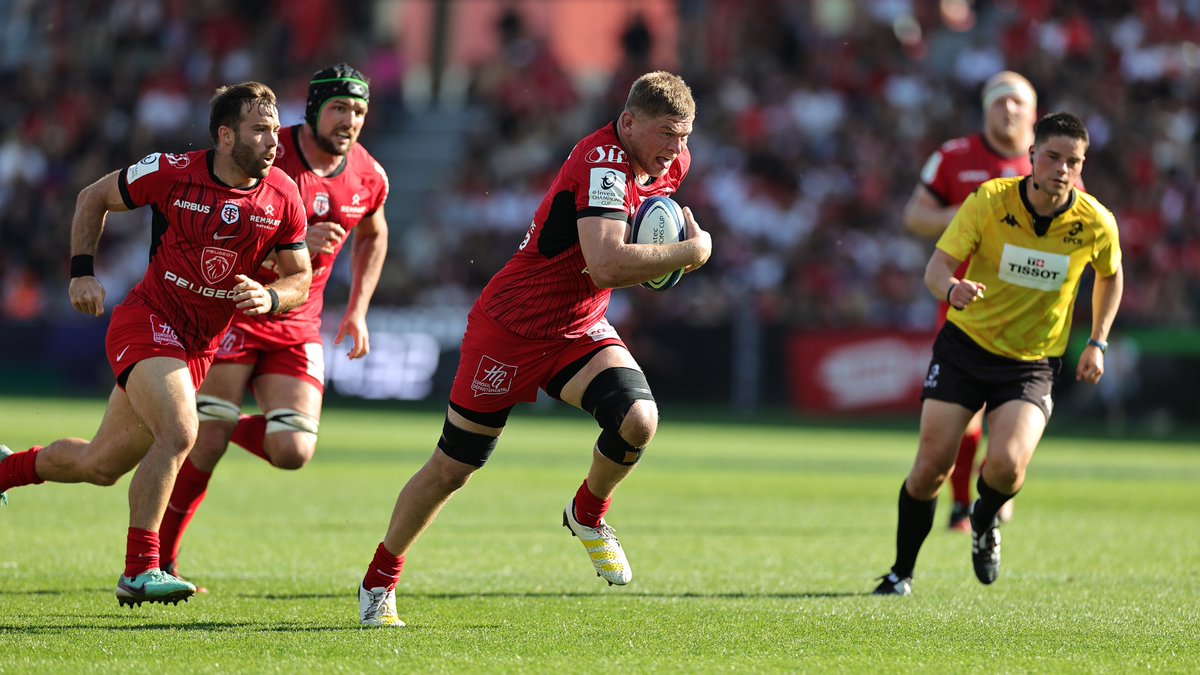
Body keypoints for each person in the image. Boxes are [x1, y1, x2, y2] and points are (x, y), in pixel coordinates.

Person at [356, 71, 712, 627]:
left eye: (686, 136)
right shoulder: (602, 162)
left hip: (578, 327)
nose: (677, 149)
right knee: (452, 468)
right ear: (628, 123)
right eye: (667, 133)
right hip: (512, 329)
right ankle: (379, 580)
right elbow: (608, 263)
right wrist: (689, 252)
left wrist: (667, 254)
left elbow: (638, 239)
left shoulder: (669, 164)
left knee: (639, 419)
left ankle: (587, 512)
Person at [0, 82, 311, 607]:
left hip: (198, 346)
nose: (273, 140)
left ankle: (5, 470)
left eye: (276, 130)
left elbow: (299, 275)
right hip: (147, 320)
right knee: (181, 429)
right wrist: (81, 273)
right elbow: (92, 197)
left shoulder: (282, 194)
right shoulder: (170, 171)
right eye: (260, 130)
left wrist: (273, 296)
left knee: (100, 466)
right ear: (226, 135)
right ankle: (141, 570)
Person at [157, 64, 389, 587]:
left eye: (358, 110)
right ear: (312, 109)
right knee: (206, 448)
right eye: (339, 108)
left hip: (297, 323)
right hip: (235, 312)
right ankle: (161, 559)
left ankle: (210, 424)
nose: (349, 120)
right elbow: (218, 226)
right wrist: (293, 252)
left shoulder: (370, 175)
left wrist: (357, 308)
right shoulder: (265, 152)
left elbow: (375, 234)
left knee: (292, 451)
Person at [874, 112, 1123, 596]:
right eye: (1052, 156)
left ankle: (983, 522)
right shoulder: (990, 200)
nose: (1061, 168)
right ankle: (900, 571)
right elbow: (936, 268)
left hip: (1031, 363)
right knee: (930, 470)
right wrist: (950, 290)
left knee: (1007, 466)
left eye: (1072, 161)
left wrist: (1097, 341)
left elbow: (1111, 276)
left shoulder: (1095, 222)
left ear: (1082, 165)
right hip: (965, 349)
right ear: (1031, 156)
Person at [903, 71, 1038, 532]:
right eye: (1000, 101)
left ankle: (992, 486)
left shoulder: (1050, 165)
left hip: (1025, 312)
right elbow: (915, 216)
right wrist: (964, 214)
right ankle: (964, 503)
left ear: (1033, 113)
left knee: (1012, 408)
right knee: (967, 412)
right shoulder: (955, 156)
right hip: (963, 302)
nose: (1009, 109)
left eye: (1018, 101)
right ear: (985, 109)